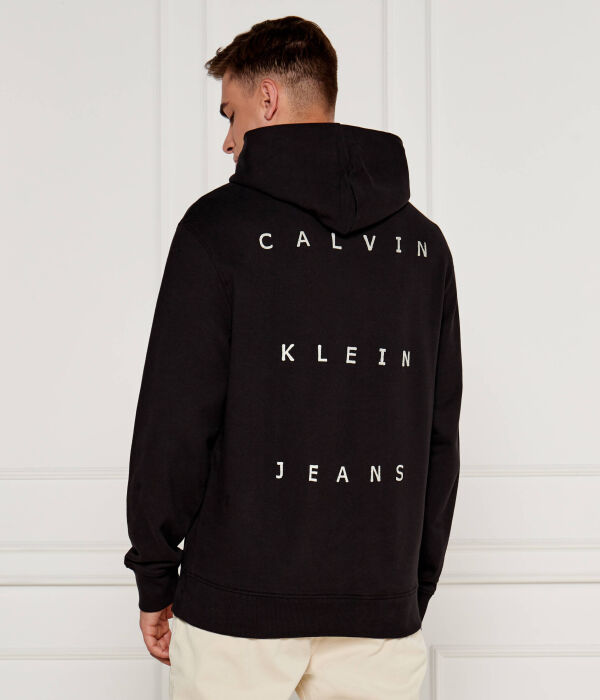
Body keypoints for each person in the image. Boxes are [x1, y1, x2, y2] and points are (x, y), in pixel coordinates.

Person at [124, 15, 462, 700]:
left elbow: (175, 419)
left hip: (235, 619)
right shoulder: (424, 248)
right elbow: (439, 437)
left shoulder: (216, 229)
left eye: (231, 113)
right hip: (379, 614)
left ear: (269, 98)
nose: (227, 140)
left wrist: (156, 575)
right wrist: (409, 588)